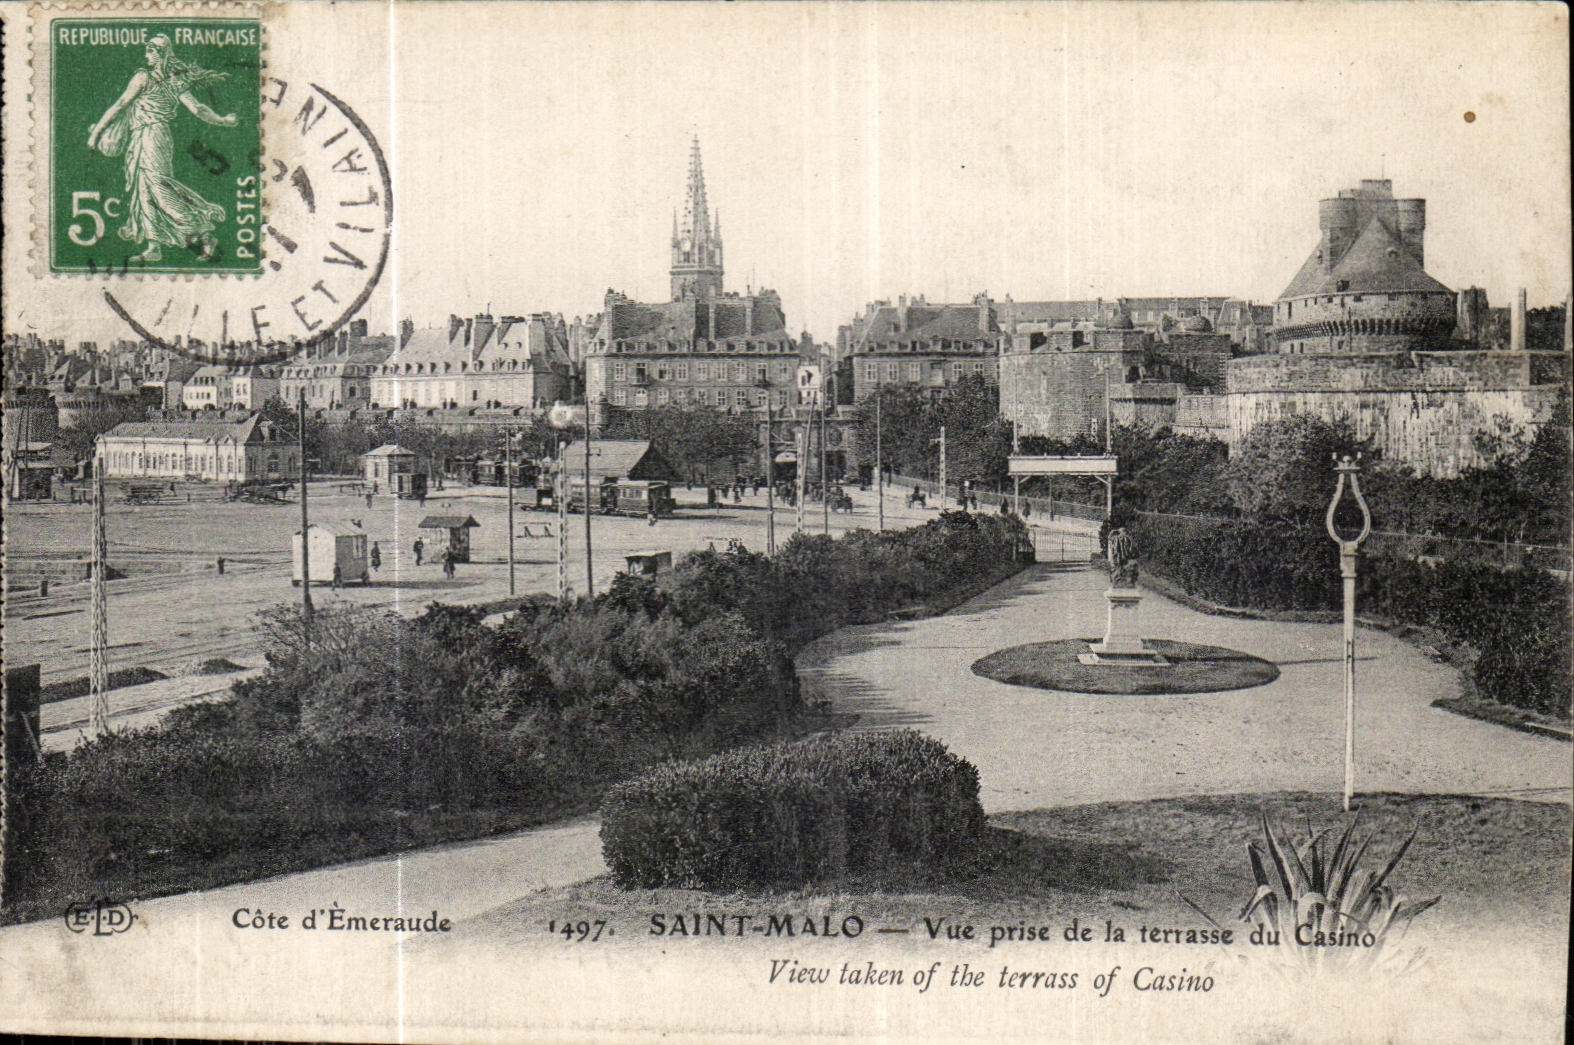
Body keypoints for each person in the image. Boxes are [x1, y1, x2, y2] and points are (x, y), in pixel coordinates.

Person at [87, 35, 236, 263]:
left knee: (158, 188)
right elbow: (199, 110)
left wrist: (97, 132)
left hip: (151, 137)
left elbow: (120, 105)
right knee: (143, 190)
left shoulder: (143, 77)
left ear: (160, 54)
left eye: (149, 51)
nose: (146, 56)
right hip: (147, 137)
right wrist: (223, 120)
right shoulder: (175, 81)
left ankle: (204, 233)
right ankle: (154, 246)